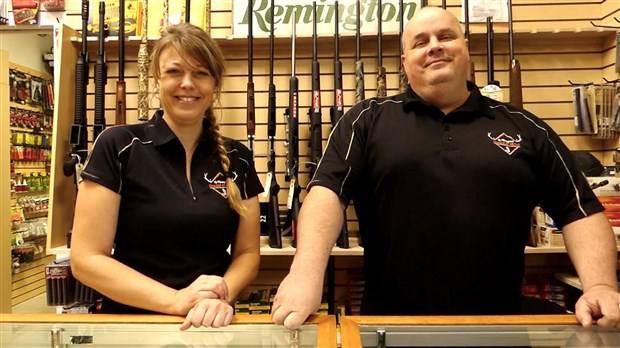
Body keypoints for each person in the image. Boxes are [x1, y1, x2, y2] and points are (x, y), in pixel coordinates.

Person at [272, 7, 620, 329]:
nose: (434, 47)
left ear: (466, 48)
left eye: (445, 36)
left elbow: (579, 211)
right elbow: (327, 194)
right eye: (421, 42)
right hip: (391, 328)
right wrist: (305, 273)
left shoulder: (526, 128)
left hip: (502, 328)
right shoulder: (367, 120)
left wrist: (601, 285)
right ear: (405, 61)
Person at [70, 23, 263, 330]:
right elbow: (86, 259)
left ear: (215, 83)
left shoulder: (238, 157)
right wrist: (176, 301)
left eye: (201, 73)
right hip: (131, 327)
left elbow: (248, 253)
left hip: (210, 323)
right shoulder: (118, 146)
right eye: (175, 72)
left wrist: (219, 295)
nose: (188, 83)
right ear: (156, 78)